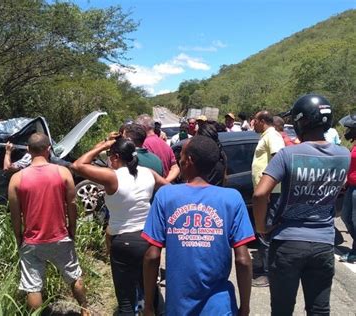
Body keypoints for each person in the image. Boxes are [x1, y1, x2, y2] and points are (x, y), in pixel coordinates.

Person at [253, 94, 350, 315]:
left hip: (287, 243)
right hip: (324, 243)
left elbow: (260, 194)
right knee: (319, 309)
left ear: (301, 121)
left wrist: (262, 227)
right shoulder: (343, 155)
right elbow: (340, 188)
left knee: (282, 308)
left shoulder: (288, 155)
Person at [142, 135, 255, 316]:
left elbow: (152, 255)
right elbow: (243, 260)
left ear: (189, 161)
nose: (179, 161)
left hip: (178, 307)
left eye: (181, 157)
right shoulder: (232, 198)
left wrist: (148, 305)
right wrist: (245, 307)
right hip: (220, 308)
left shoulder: (166, 196)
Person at [71, 136, 167, 315]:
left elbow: (77, 165)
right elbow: (168, 188)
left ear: (115, 157)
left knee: (125, 301)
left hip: (123, 241)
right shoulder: (148, 173)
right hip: (148, 239)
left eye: (109, 155)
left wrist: (102, 145)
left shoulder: (112, 176)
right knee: (149, 290)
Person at [8, 133, 89, 314]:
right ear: (49, 149)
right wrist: (72, 230)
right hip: (60, 236)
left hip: (31, 241)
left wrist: (18, 238)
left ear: (28, 150)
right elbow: (72, 205)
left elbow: (15, 215)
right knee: (74, 276)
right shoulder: (63, 172)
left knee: (33, 286)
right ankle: (84, 310)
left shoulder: (16, 179)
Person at [251, 111, 285, 287]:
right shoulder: (266, 135)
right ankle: (266, 268)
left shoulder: (273, 135)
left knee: (266, 231)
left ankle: (269, 274)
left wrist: (269, 186)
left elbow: (278, 157)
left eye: (254, 121)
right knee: (264, 230)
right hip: (267, 192)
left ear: (262, 121)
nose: (252, 124)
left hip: (271, 193)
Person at [136, 114, 180, 182]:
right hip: (165, 188)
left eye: (137, 128)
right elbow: (175, 168)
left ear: (142, 127)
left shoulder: (143, 145)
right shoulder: (165, 144)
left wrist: (162, 183)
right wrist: (166, 182)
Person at [340, 114, 356, 263]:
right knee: (345, 217)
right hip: (351, 186)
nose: (347, 132)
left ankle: (355, 251)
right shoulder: (354, 144)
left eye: (350, 129)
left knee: (355, 220)